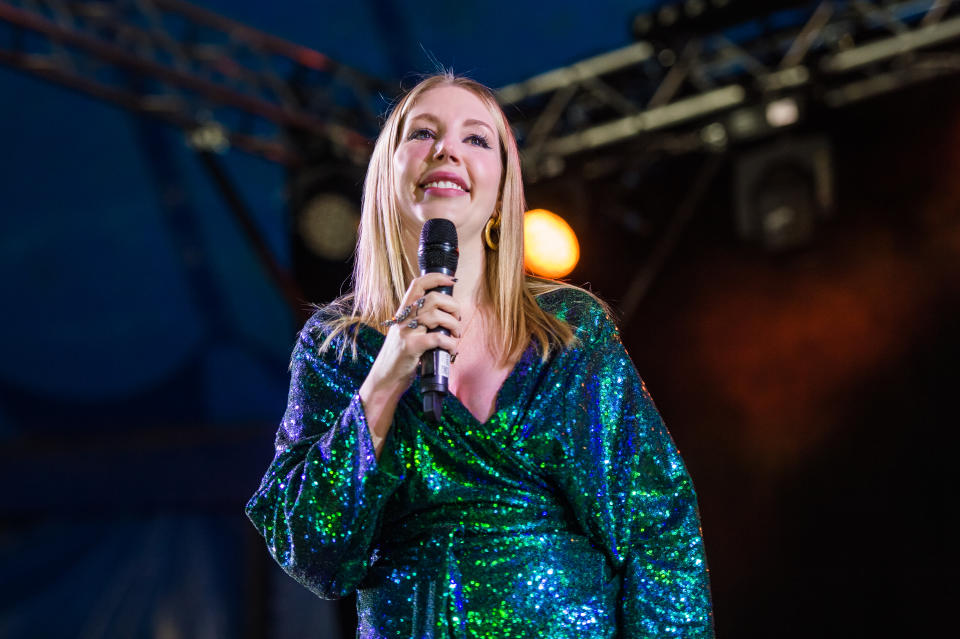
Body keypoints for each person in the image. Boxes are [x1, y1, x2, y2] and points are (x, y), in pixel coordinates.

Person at [246, 73, 714, 638]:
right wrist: (386, 377)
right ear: (386, 174)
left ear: (501, 187)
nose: (447, 149)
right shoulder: (336, 348)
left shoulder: (568, 331)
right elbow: (310, 549)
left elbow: (658, 527)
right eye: (423, 132)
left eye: (476, 139)